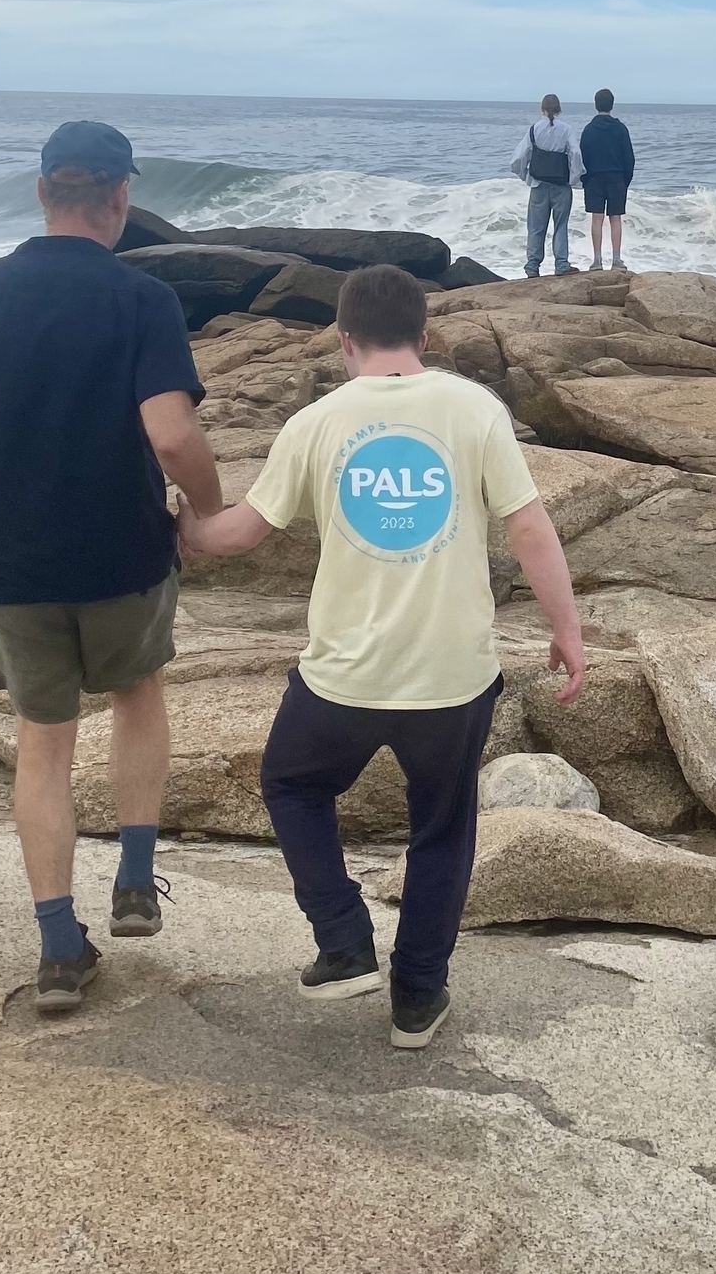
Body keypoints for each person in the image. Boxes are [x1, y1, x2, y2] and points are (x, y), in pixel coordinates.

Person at [179, 263, 586, 1050]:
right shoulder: (474, 410)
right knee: (442, 829)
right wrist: (565, 629)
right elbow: (529, 527)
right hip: (454, 676)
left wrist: (182, 533)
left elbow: (242, 532)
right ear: (426, 337)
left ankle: (342, 941)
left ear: (344, 342)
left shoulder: (317, 422)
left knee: (293, 786)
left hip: (345, 674)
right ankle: (417, 1001)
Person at [0, 120, 225, 1013]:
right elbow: (172, 433)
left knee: (42, 748)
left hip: (7, 563)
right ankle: (134, 878)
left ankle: (59, 949)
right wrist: (206, 512)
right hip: (121, 553)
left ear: (42, 192)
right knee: (138, 696)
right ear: (122, 197)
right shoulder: (140, 300)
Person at [510, 93, 584, 278]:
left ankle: (532, 266)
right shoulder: (566, 129)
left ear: (542, 109)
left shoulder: (534, 129)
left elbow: (519, 157)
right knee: (560, 225)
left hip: (538, 184)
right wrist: (574, 178)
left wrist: (525, 175)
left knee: (536, 227)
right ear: (559, 109)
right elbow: (575, 154)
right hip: (561, 185)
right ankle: (561, 264)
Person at [579, 88, 636, 270]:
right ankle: (617, 260)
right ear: (612, 105)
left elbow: (582, 157)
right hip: (616, 177)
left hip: (594, 178)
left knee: (597, 218)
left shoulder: (588, 129)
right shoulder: (620, 129)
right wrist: (625, 180)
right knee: (615, 218)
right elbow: (629, 159)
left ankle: (597, 260)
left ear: (596, 105)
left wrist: (585, 179)